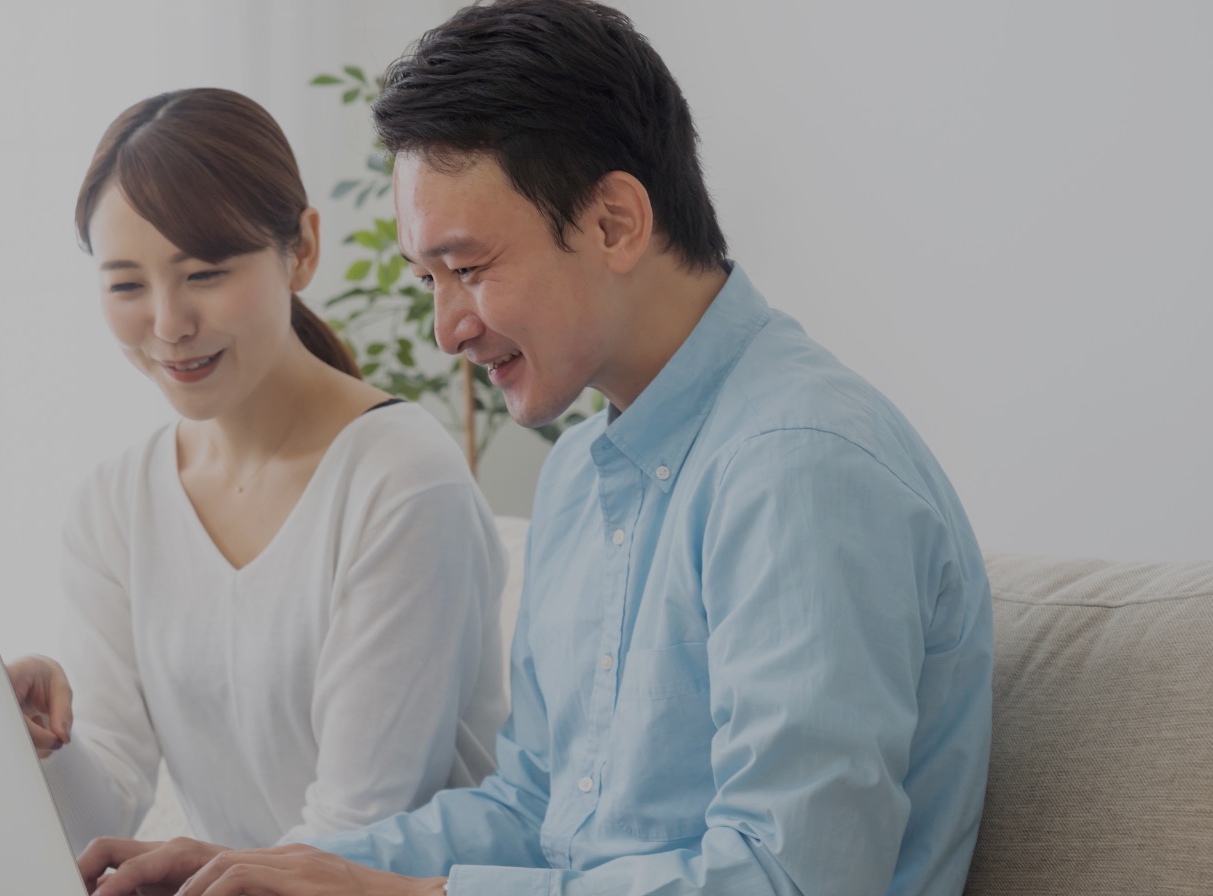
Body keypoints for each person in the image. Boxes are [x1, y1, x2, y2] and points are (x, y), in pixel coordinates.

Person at [76, 2, 995, 895]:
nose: (446, 329)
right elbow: (536, 809)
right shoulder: (580, 477)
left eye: (468, 269)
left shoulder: (800, 466)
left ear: (615, 224)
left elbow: (794, 877)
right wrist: (282, 869)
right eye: (427, 278)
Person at [4, 87, 510, 854]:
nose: (169, 325)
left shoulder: (403, 481)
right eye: (127, 284)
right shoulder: (113, 506)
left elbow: (354, 832)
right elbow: (96, 823)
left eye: (204, 272)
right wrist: (41, 744)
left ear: (301, 248)